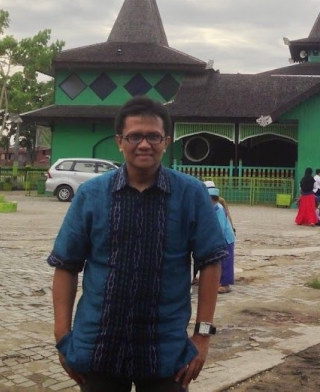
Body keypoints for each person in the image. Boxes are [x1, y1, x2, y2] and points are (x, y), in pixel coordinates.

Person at [48, 96, 228, 391]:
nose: (144, 145)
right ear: (120, 141)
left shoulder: (191, 194)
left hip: (166, 353)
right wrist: (62, 336)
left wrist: (202, 335)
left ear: (166, 141)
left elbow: (210, 262)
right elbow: (66, 265)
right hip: (97, 346)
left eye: (153, 136)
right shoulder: (92, 195)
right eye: (134, 136)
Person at [206, 181, 236, 295]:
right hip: (217, 238)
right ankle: (217, 281)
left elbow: (220, 227)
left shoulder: (218, 208)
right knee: (218, 261)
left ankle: (225, 284)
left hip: (225, 239)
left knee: (226, 261)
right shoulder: (210, 207)